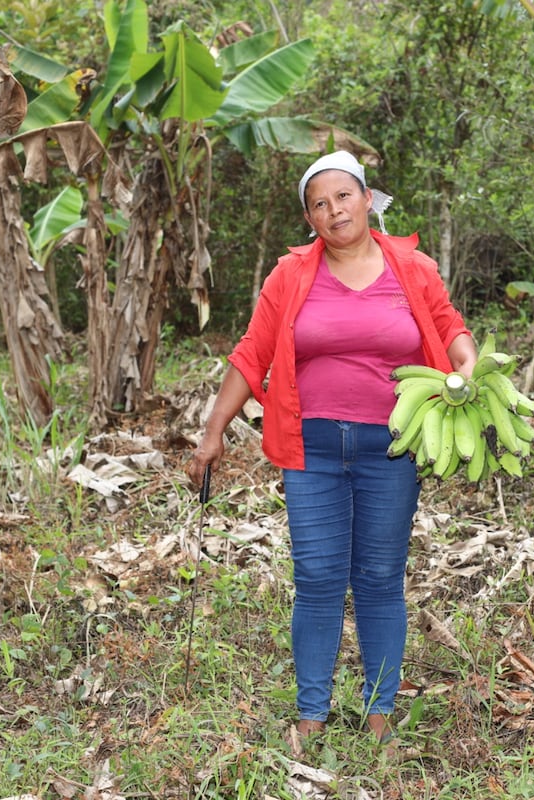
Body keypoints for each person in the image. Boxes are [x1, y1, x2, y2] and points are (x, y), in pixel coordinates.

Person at [186, 151, 476, 746]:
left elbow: (449, 328)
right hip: (312, 446)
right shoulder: (291, 275)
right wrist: (213, 430)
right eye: (319, 203)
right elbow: (251, 353)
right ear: (310, 218)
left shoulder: (413, 268)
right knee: (317, 577)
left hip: (392, 449)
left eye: (343, 196)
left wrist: (468, 366)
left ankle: (378, 716)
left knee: (378, 578)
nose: (333, 209)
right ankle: (311, 716)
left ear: (368, 199)